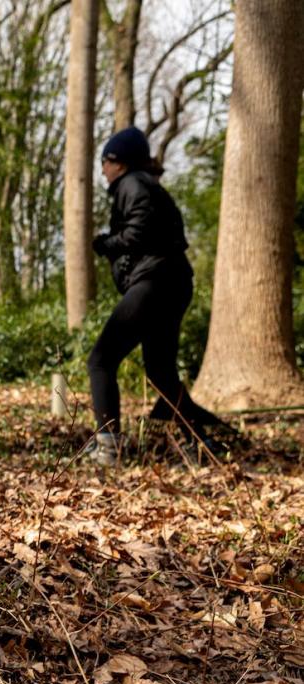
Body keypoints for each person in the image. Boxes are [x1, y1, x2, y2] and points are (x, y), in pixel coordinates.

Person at [88, 126, 220, 465]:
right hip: (173, 282)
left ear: (118, 162)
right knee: (160, 372)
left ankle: (108, 449)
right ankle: (201, 443)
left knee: (101, 360)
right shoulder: (147, 186)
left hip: (155, 282)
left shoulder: (132, 184)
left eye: (105, 161)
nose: (102, 169)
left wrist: (105, 244)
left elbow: (137, 233)